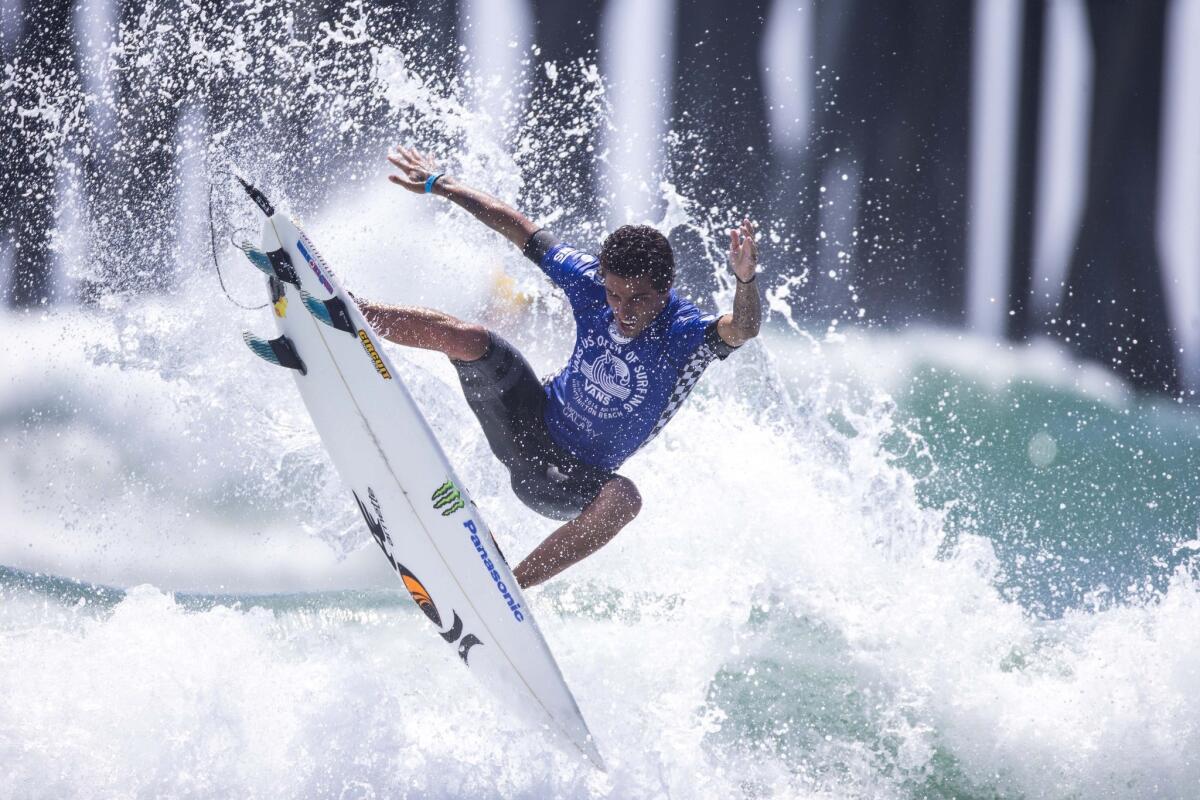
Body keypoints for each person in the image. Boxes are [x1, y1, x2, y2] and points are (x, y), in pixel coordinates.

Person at [356, 146, 763, 589]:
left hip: (567, 482)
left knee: (625, 498)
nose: (623, 310)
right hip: (525, 423)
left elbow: (742, 328)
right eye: (614, 295)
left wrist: (745, 280)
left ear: (665, 290)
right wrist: (440, 184)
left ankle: (508, 586)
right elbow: (519, 229)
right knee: (470, 338)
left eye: (638, 299)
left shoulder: (685, 333)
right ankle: (350, 311)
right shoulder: (588, 280)